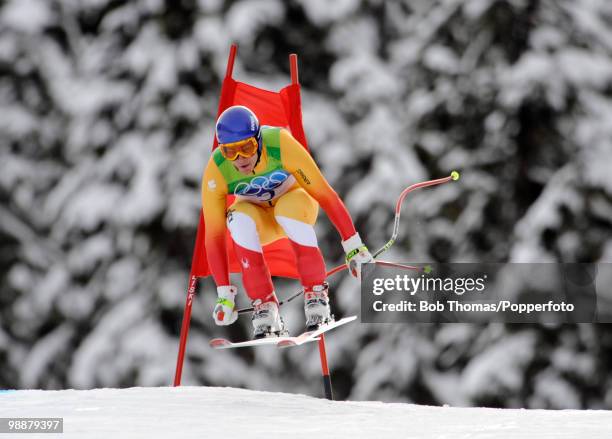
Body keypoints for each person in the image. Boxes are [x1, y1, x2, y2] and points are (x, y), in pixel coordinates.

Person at [202, 105, 373, 338]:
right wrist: (224, 294)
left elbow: (324, 194)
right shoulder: (217, 169)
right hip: (259, 218)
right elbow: (213, 236)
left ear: (259, 141)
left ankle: (316, 295)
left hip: (296, 206)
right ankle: (264, 307)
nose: (240, 159)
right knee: (236, 219)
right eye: (230, 152)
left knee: (286, 208)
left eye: (247, 148)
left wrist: (354, 247)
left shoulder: (280, 144)